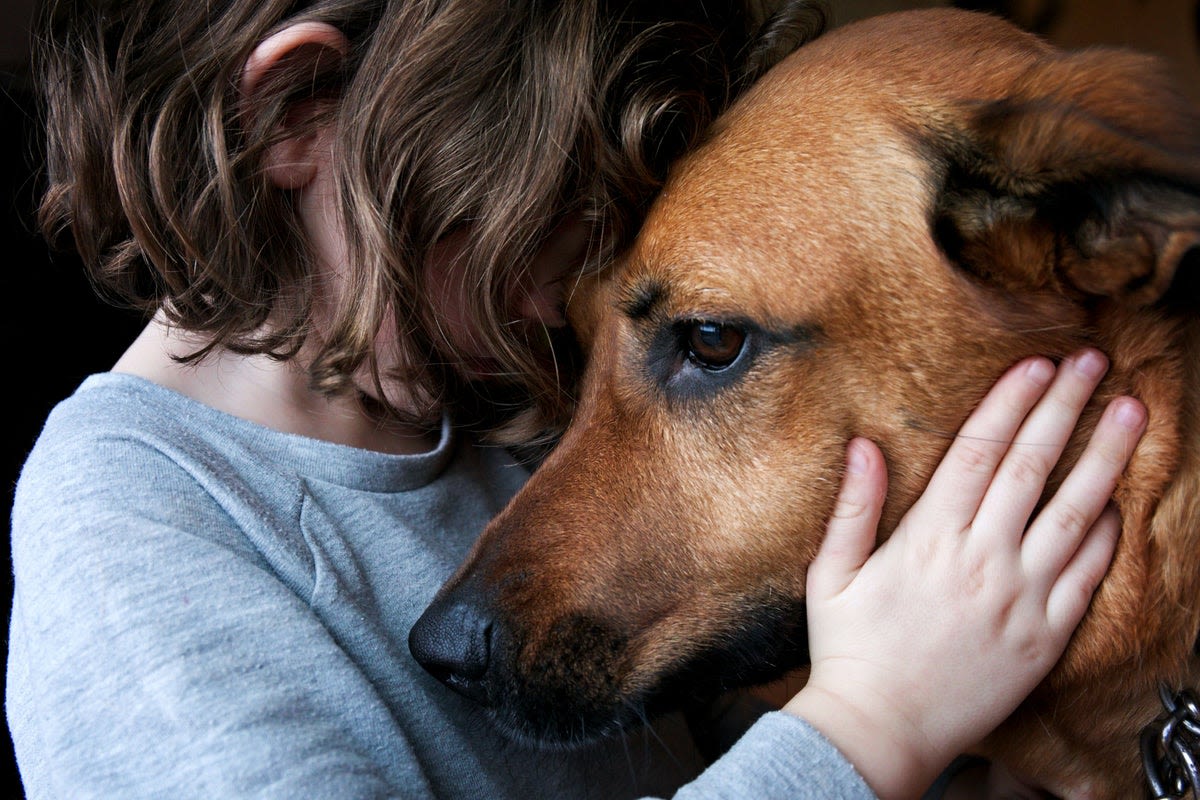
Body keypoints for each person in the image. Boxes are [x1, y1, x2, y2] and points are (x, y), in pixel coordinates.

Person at [6, 0, 1146, 798]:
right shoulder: (128, 527)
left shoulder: (499, 395)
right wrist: (870, 727)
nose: (561, 293)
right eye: (546, 203)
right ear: (296, 113)